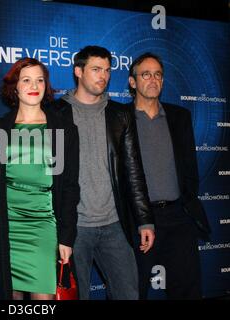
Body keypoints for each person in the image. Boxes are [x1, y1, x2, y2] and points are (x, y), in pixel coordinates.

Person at [51, 46, 155, 300]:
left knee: (129, 294)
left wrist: (145, 219)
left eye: (107, 70)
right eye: (96, 69)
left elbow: (134, 170)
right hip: (72, 228)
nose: (104, 76)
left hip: (114, 225)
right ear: (78, 71)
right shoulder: (55, 113)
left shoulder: (120, 115)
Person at [0, 57, 80, 300]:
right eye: (26, 80)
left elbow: (70, 188)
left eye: (39, 80)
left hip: (44, 226)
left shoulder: (65, 130)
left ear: (46, 86)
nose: (34, 85)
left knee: (42, 299)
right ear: (15, 86)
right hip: (7, 227)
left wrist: (66, 238)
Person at [128, 52, 211, 299]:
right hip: (138, 219)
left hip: (178, 217)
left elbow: (189, 168)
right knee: (132, 290)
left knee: (187, 290)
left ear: (162, 81)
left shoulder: (180, 117)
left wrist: (187, 204)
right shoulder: (119, 118)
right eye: (145, 74)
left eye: (158, 75)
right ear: (133, 82)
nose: (153, 79)